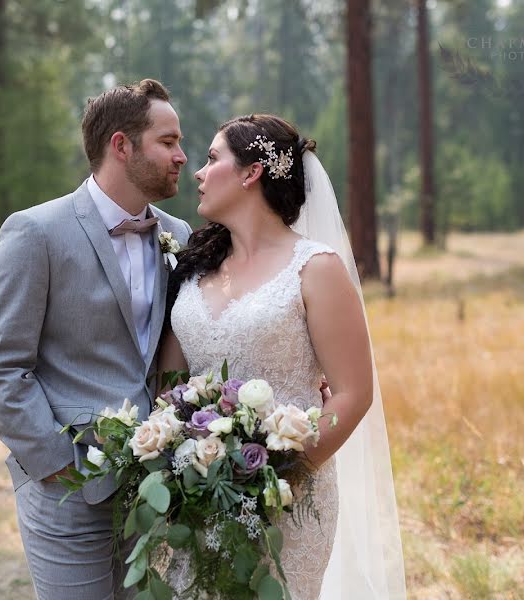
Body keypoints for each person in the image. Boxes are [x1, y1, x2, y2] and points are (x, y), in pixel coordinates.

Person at [160, 114, 406, 598]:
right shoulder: (192, 268)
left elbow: (354, 394)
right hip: (198, 491)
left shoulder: (316, 269)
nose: (198, 172)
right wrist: (184, 461)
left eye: (212, 159)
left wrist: (272, 478)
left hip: (289, 502)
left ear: (252, 173)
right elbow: (169, 384)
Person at [0, 78, 192, 600]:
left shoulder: (178, 236)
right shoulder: (35, 233)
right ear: (121, 145)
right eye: (167, 141)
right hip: (66, 490)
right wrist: (54, 467)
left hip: (155, 486)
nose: (182, 155)